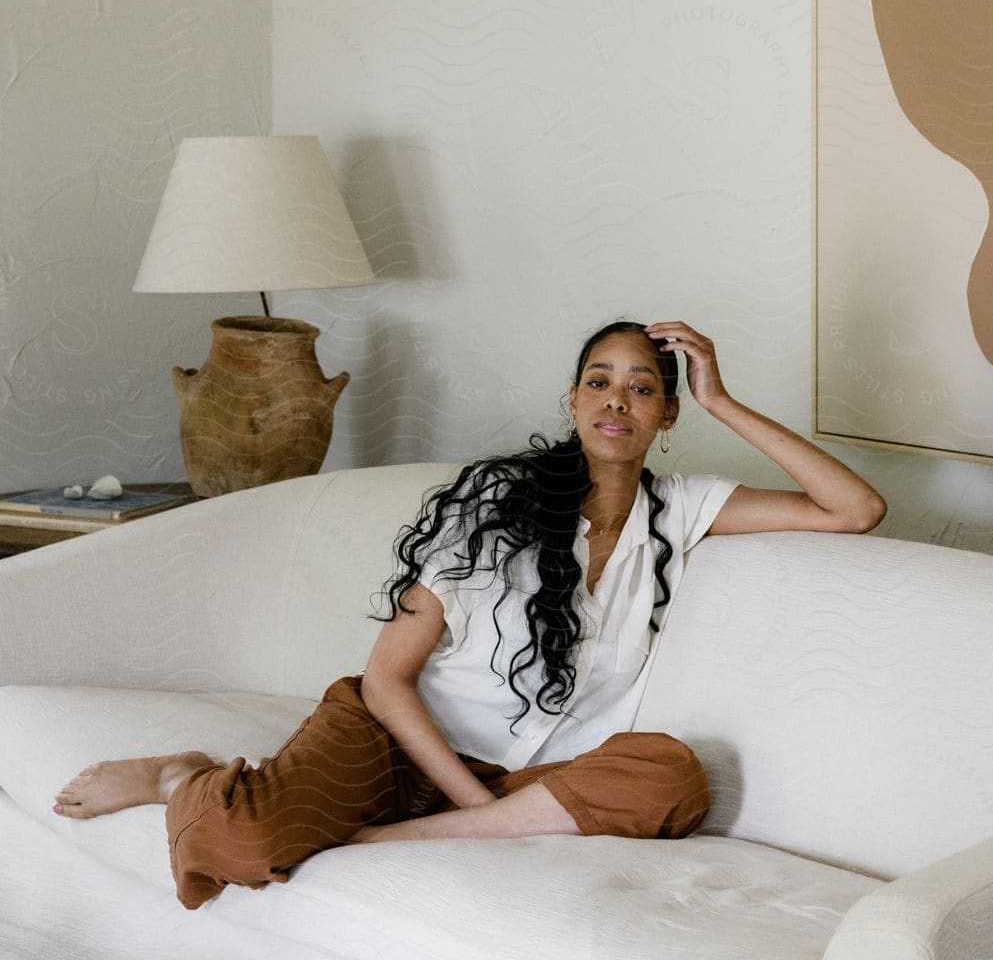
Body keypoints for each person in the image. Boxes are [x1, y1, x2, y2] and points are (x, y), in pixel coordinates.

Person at [52, 319, 885, 909]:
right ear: (571, 399)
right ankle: (179, 775)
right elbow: (387, 678)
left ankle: (390, 842)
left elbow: (853, 509)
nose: (617, 402)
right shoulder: (495, 504)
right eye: (599, 381)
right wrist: (471, 807)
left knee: (671, 774)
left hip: (528, 780)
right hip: (394, 742)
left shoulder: (680, 508)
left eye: (644, 389)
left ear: (667, 415)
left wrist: (725, 400)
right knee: (245, 846)